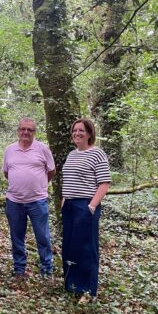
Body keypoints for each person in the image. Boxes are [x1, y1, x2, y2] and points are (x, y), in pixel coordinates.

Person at [61, 118, 111, 302]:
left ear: (89, 133)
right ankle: (72, 285)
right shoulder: (71, 155)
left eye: (81, 130)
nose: (77, 134)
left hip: (86, 206)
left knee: (87, 248)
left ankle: (88, 291)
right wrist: (64, 200)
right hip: (69, 206)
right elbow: (68, 180)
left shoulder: (97, 154)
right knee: (70, 246)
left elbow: (104, 183)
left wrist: (91, 206)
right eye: (74, 131)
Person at [3, 118, 56, 279]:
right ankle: (19, 269)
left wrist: (39, 186)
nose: (26, 132)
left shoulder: (43, 149)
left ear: (34, 132)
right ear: (18, 131)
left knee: (43, 236)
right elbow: (6, 172)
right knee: (16, 236)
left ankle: (47, 269)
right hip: (14, 202)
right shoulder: (9, 150)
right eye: (23, 129)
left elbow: (51, 171)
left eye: (30, 130)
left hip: (37, 201)